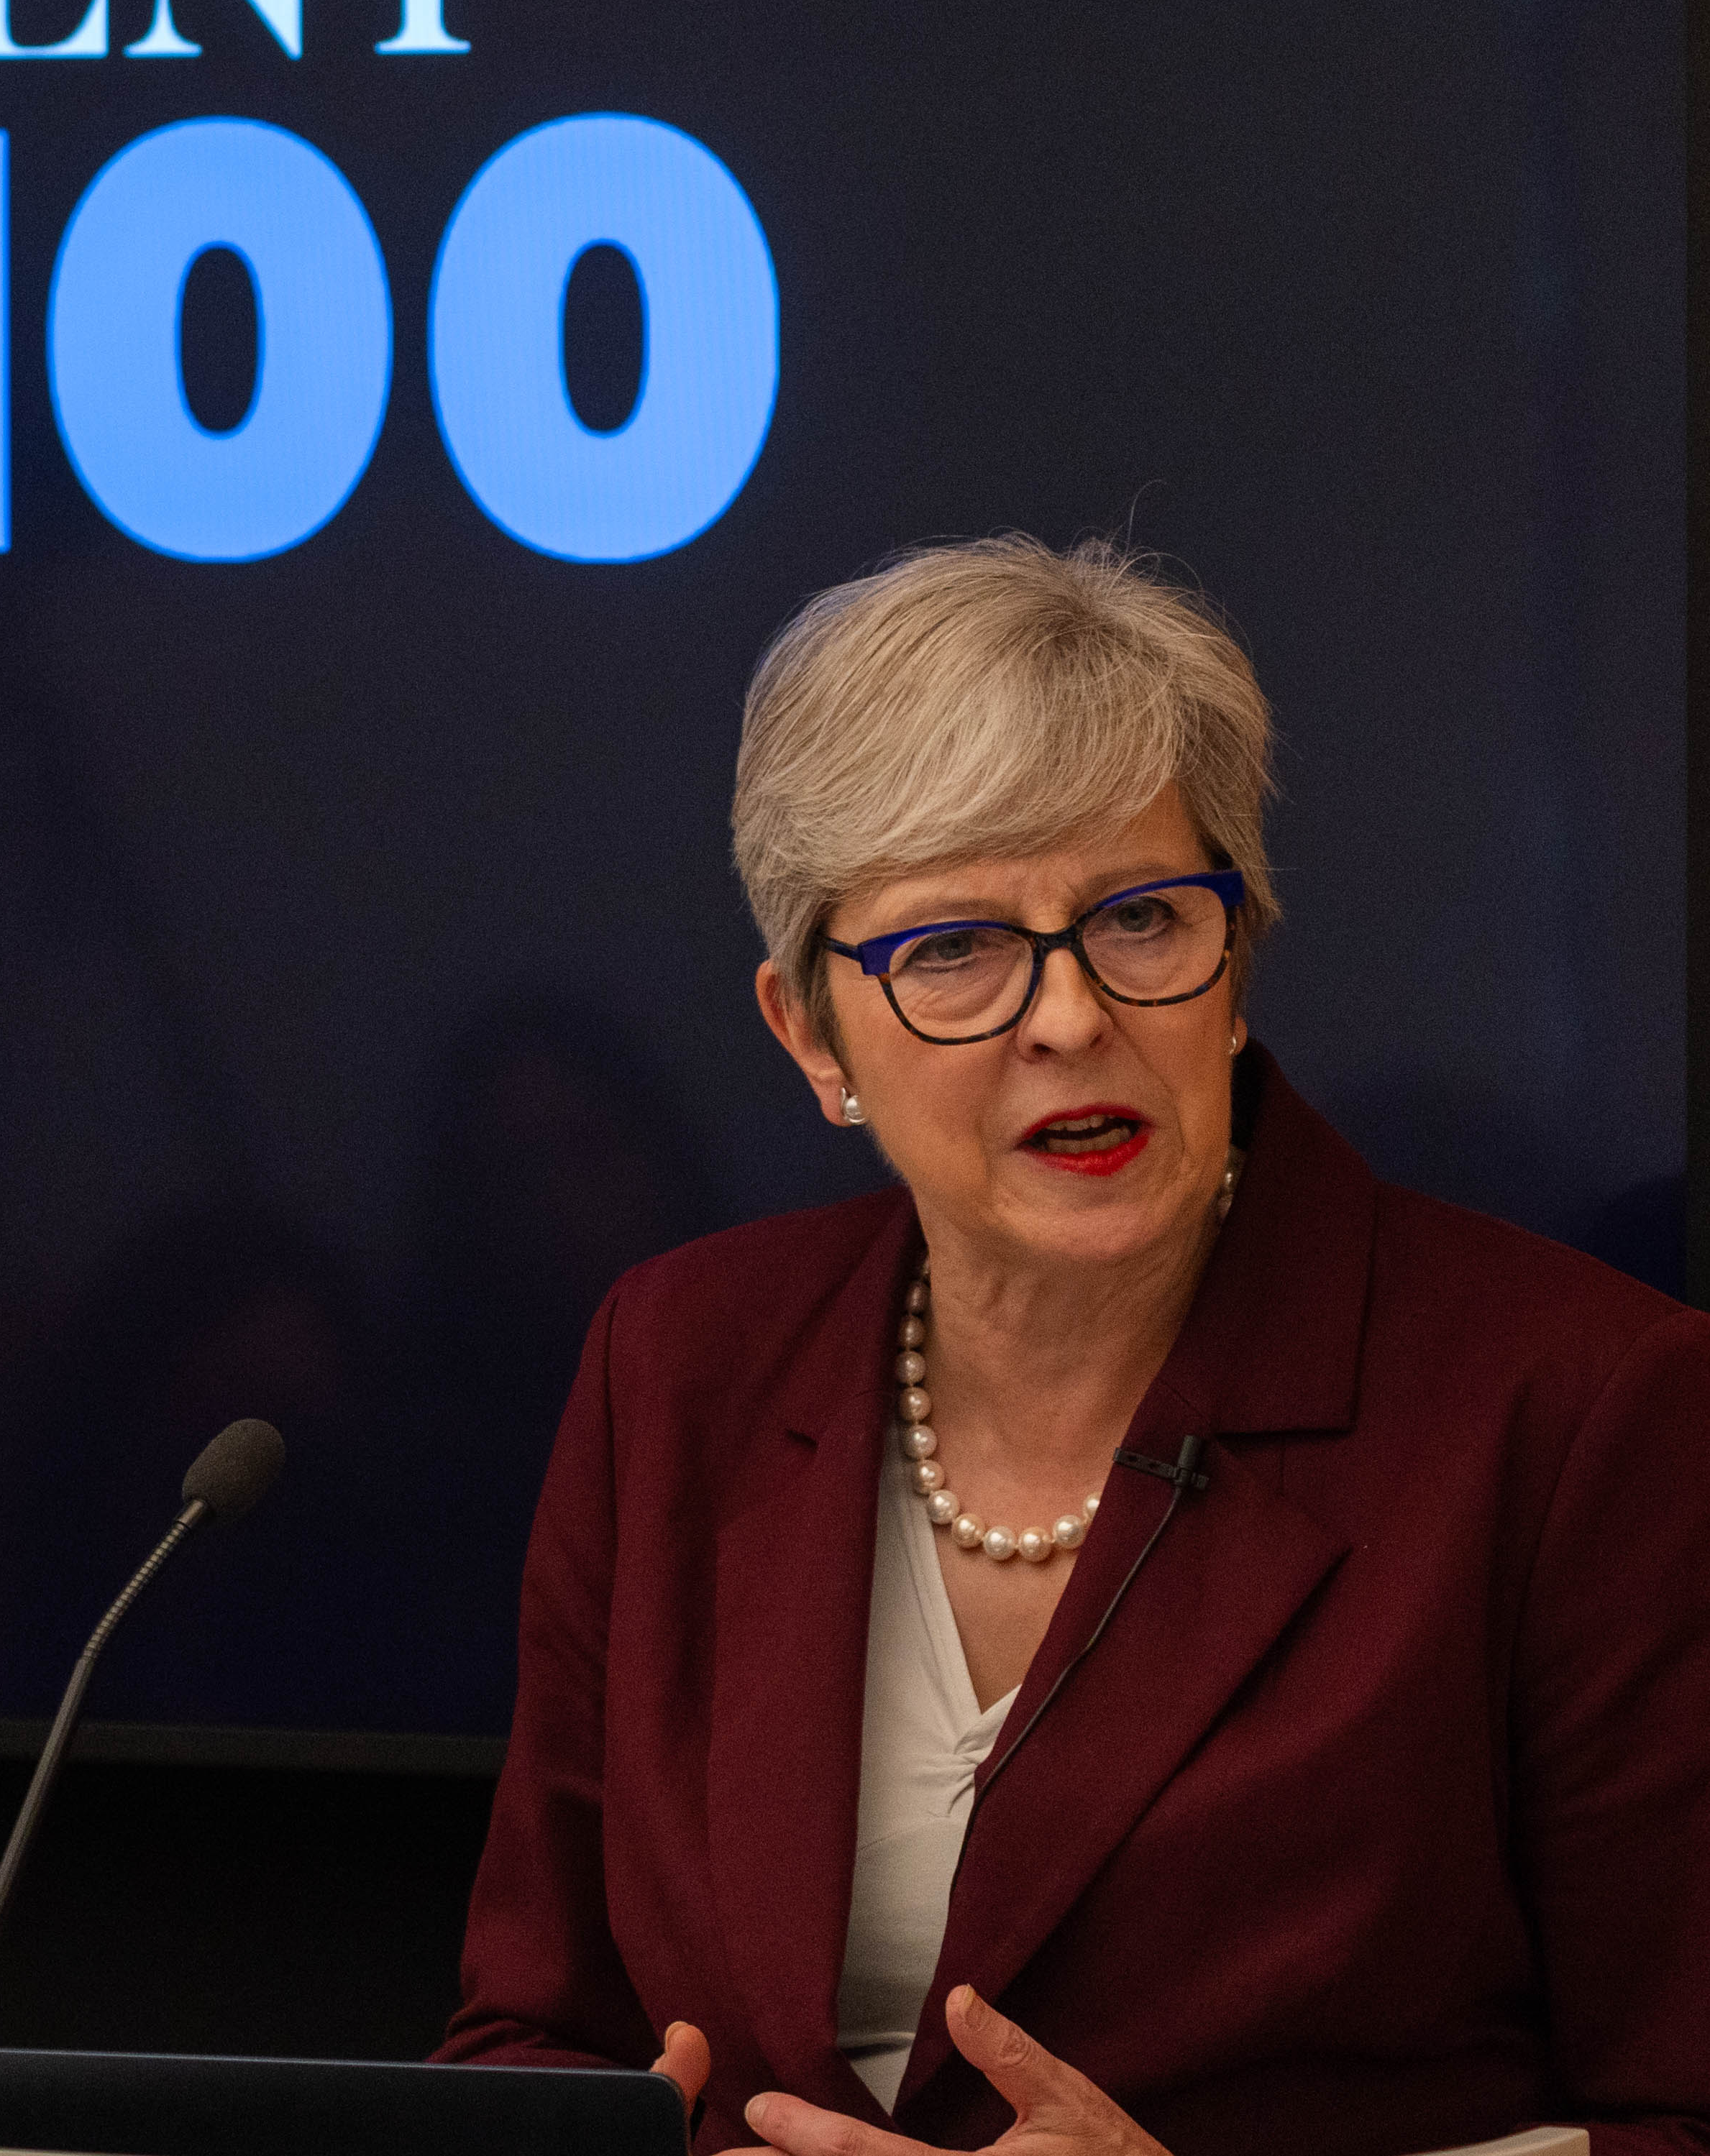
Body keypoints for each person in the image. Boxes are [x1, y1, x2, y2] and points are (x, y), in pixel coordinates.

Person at [436, 536, 1709, 2156]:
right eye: (952, 947)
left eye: (1139, 917)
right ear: (810, 1034)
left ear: (1233, 963)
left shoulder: (1579, 1408)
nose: (1065, 1013)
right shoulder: (677, 1364)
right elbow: (527, 2036)